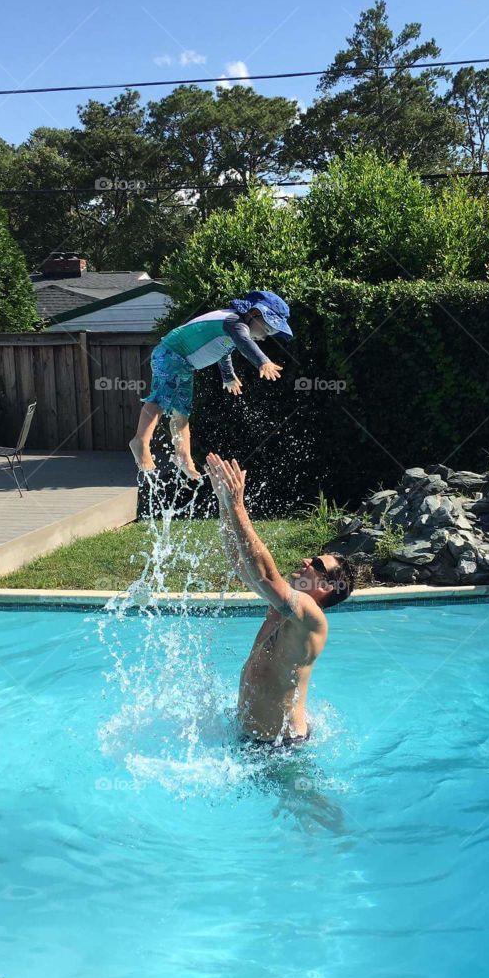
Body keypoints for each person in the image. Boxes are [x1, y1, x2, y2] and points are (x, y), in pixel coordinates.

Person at [204, 452, 356, 745]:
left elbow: (265, 576)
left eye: (317, 564)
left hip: (282, 748)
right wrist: (224, 502)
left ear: (328, 586)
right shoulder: (282, 608)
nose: (306, 561)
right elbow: (240, 563)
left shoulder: (311, 617)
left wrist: (238, 505)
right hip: (251, 738)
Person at [129, 291, 291, 480]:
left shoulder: (232, 326)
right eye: (267, 329)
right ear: (255, 313)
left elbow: (223, 350)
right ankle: (140, 441)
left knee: (182, 411)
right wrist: (263, 361)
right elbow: (244, 341)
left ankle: (183, 456)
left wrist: (228, 376)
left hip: (184, 365)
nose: (264, 336)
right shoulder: (234, 322)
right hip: (170, 355)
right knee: (160, 398)